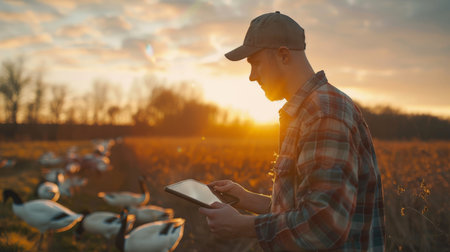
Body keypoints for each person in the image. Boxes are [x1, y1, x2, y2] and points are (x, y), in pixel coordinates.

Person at [198, 11, 385, 251]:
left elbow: (323, 225)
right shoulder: (308, 111)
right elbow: (306, 208)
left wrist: (244, 226)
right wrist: (246, 199)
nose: (252, 77)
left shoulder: (324, 113)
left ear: (284, 55)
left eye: (255, 64)